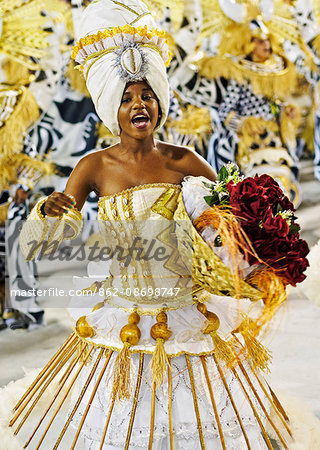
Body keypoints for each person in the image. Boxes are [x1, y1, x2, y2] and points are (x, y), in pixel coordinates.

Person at [8, 1, 308, 449]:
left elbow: (232, 217)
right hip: (122, 316)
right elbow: (59, 233)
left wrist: (258, 244)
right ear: (112, 106)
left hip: (189, 314)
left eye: (146, 94)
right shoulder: (94, 166)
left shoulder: (184, 161)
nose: (138, 104)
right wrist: (49, 212)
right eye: (127, 98)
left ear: (160, 100)